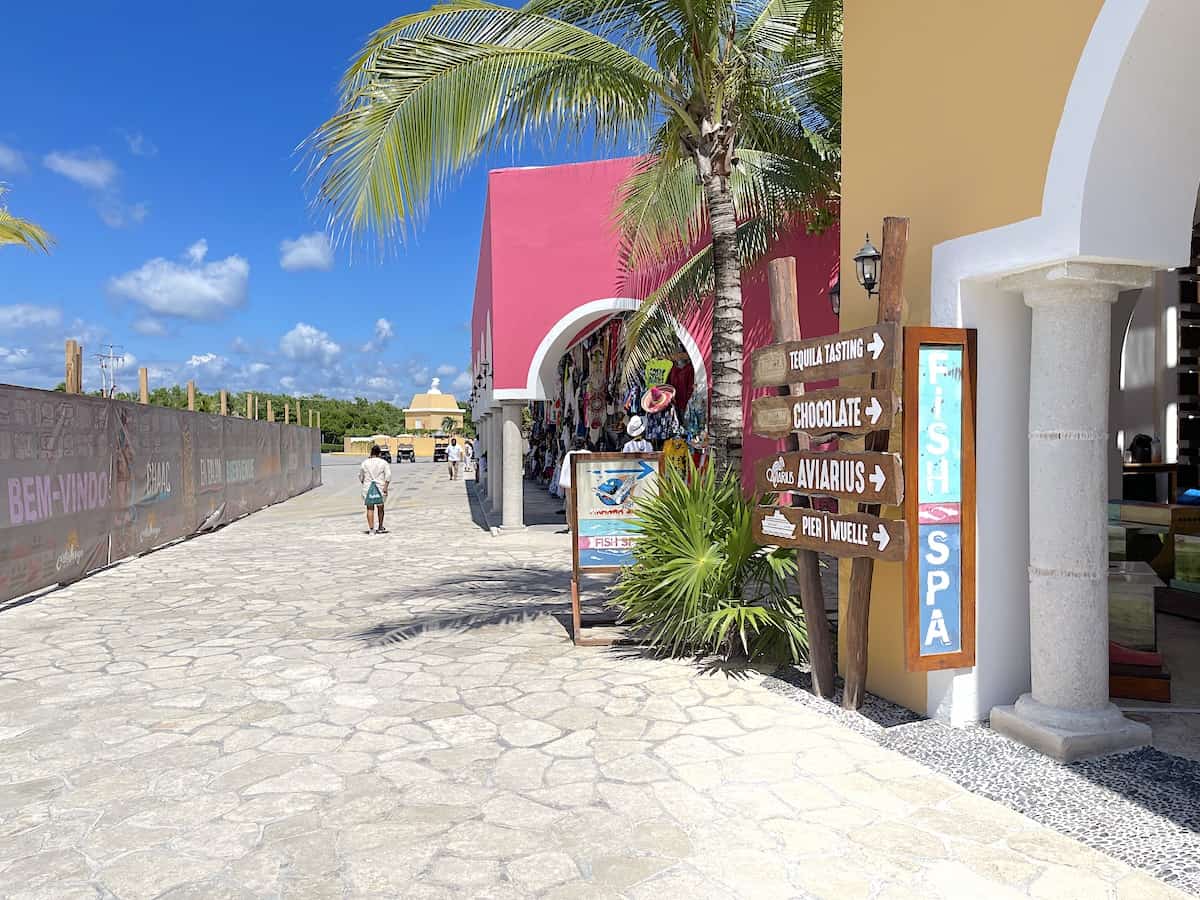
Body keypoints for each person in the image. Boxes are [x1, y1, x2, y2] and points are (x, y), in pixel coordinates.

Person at [558, 436, 590, 533]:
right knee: (584, 504)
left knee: (570, 505)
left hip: (570, 484)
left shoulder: (569, 454)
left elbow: (565, 470)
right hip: (584, 484)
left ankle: (571, 526)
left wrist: (563, 483)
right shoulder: (588, 454)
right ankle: (584, 525)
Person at [359, 445, 391, 534]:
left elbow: (361, 476)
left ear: (371, 453)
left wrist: (364, 482)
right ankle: (380, 526)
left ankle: (371, 529)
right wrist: (386, 486)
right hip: (380, 487)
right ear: (379, 453)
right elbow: (388, 476)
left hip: (367, 487)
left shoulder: (365, 463)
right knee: (380, 507)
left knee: (370, 508)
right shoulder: (383, 463)